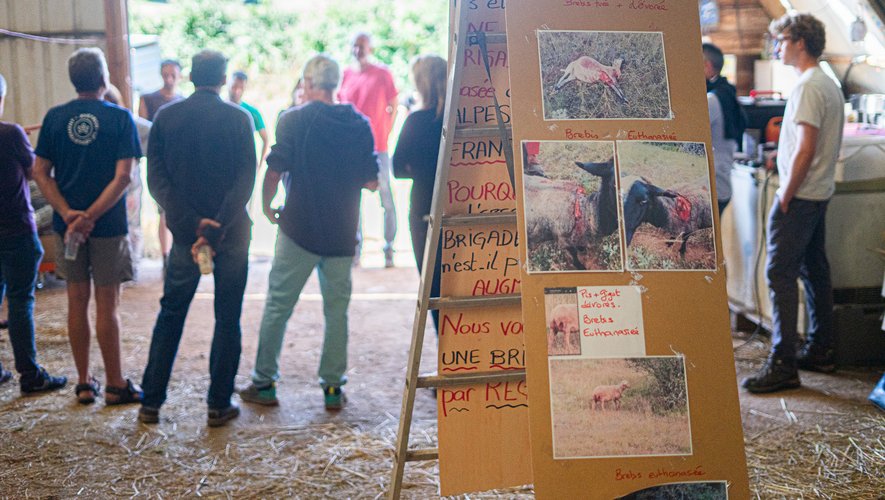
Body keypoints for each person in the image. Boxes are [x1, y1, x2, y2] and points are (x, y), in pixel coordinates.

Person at [239, 54, 379, 409]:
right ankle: (333, 388)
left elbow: (273, 170)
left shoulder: (293, 120)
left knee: (278, 307)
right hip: (342, 232)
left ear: (310, 83)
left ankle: (265, 382)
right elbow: (372, 181)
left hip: (298, 229)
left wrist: (269, 206)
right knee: (336, 312)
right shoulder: (359, 124)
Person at [140, 50, 256, 427]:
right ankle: (218, 404)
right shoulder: (239, 119)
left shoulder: (166, 117)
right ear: (223, 80)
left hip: (185, 235)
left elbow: (156, 180)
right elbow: (245, 180)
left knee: (171, 313)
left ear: (190, 76)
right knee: (227, 316)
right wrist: (216, 224)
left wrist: (192, 224)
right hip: (231, 232)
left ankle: (151, 401)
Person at [32, 48, 143, 405]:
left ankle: (83, 382)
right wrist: (92, 215)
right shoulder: (119, 118)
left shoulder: (54, 118)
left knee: (76, 301)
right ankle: (114, 383)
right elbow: (123, 176)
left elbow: (40, 172)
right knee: (107, 304)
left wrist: (69, 214)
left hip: (68, 229)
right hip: (108, 225)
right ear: (103, 77)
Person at [742, 13, 844, 394]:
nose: (777, 47)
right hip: (818, 193)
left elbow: (806, 148)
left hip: (799, 197)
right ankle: (821, 348)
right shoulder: (828, 83)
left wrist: (785, 193)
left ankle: (783, 363)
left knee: (779, 274)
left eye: (782, 40)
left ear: (801, 41)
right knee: (814, 268)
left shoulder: (807, 86)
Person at [0, 73, 68, 393]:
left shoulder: (13, 134)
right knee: (20, 301)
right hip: (15, 231)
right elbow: (33, 172)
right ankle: (29, 373)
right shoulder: (11, 133)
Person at [392, 55, 446, 333]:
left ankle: (445, 355)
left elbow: (397, 168)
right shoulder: (460, 121)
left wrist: (421, 169)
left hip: (424, 210)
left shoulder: (416, 121)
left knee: (433, 289)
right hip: (459, 204)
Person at [338, 32, 398, 267]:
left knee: (386, 199)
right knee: (353, 200)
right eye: (354, 46)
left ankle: (389, 248)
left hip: (378, 145)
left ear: (370, 48)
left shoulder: (382, 73)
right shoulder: (346, 74)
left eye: (361, 46)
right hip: (351, 148)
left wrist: (386, 130)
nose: (357, 50)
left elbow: (394, 104)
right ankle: (355, 249)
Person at [139, 59, 183, 272]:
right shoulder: (148, 99)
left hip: (181, 163)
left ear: (179, 75)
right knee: (163, 210)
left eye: (172, 74)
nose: (169, 79)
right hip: (160, 164)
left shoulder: (183, 101)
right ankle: (166, 257)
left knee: (179, 209)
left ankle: (177, 253)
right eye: (165, 74)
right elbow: (143, 132)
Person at [106, 85, 151, 264]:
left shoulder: (130, 121)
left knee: (132, 225)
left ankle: (131, 263)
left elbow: (153, 135)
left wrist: (137, 155)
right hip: (107, 182)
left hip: (130, 183)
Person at [702, 42, 745, 215]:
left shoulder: (712, 99)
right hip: (723, 183)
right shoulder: (727, 92)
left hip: (713, 186)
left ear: (707, 65)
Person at [228, 71, 269, 167]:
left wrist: (259, 166)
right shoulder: (218, 108)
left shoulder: (252, 112)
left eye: (241, 88)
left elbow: (265, 139)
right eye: (234, 87)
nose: (237, 91)